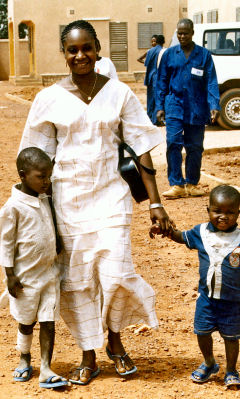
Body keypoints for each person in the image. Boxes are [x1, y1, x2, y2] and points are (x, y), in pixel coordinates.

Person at [19, 20, 171, 385]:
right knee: (78, 281)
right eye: (72, 50)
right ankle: (89, 353)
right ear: (65, 54)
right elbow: (35, 157)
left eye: (87, 47)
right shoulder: (48, 99)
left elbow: (140, 147)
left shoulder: (118, 93)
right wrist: (34, 212)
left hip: (112, 196)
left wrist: (155, 203)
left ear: (97, 48)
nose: (80, 55)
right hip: (68, 201)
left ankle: (115, 341)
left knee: (116, 273)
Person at [150, 185, 240, 388]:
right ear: (208, 210)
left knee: (231, 338)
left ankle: (231, 371)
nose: (223, 216)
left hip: (232, 302)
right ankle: (209, 362)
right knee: (202, 332)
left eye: (230, 212)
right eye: (217, 211)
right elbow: (181, 237)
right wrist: (165, 230)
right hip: (206, 299)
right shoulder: (201, 232)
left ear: (238, 213)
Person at [0, 147, 70, 389]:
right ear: (22, 175)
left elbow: (50, 221)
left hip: (49, 272)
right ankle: (24, 358)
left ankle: (46, 368)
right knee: (26, 322)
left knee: (48, 320)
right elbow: (6, 242)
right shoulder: (13, 207)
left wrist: (57, 242)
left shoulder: (45, 198)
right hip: (25, 277)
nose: (46, 182)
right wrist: (9, 275)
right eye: (41, 177)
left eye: (48, 176)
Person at [155, 19, 220, 199]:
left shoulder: (203, 55)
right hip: (174, 104)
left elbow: (211, 81)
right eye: (179, 33)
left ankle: (191, 183)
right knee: (173, 143)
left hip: (197, 107)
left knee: (195, 147)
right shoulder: (169, 55)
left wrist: (214, 105)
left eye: (186, 33)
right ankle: (176, 185)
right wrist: (159, 107)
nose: (182, 36)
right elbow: (161, 82)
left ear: (192, 33)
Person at [144, 35, 165, 125]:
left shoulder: (150, 51)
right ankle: (156, 119)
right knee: (158, 98)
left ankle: (150, 119)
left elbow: (146, 63)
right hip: (158, 77)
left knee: (150, 99)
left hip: (150, 77)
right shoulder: (163, 51)